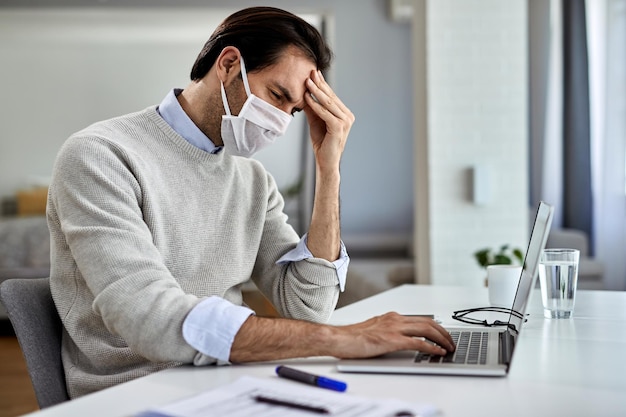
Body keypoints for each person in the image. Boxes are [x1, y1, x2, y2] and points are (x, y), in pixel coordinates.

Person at [47, 6, 454, 399]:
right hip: (135, 392)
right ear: (227, 65)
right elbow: (148, 319)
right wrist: (345, 338)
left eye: (293, 111)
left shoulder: (252, 182)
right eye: (277, 95)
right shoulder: (100, 155)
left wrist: (328, 172)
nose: (280, 120)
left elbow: (306, 309)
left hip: (227, 382)